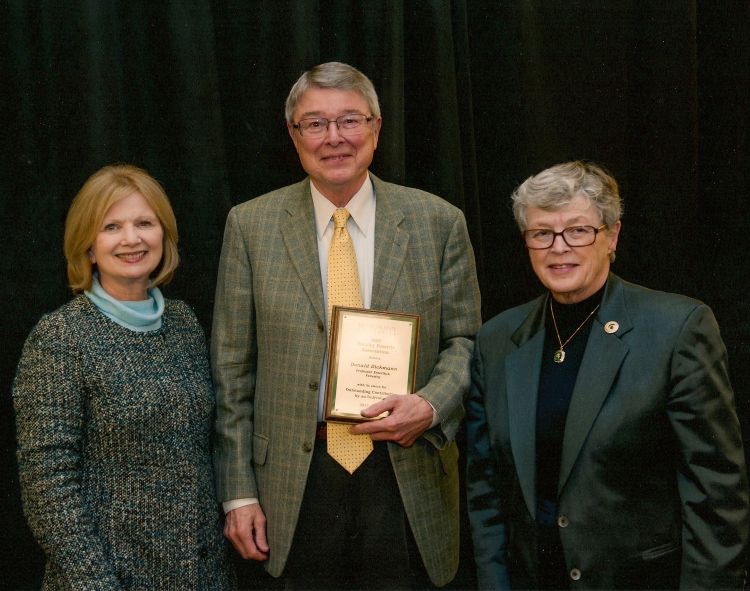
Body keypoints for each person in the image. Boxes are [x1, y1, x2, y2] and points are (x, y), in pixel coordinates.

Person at [211, 61, 481, 589]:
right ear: (294, 136)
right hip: (294, 479)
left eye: (350, 120)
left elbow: (466, 341)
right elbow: (231, 368)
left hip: (405, 468)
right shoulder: (250, 226)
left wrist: (430, 405)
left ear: (377, 129)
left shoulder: (438, 221)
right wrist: (238, 491)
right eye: (315, 123)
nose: (334, 137)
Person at [466, 160, 749, 590]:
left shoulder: (677, 328)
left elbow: (716, 496)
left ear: (612, 236)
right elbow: (486, 492)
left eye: (578, 230)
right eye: (542, 233)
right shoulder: (497, 340)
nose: (559, 247)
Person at [13, 164, 234, 590]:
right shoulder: (61, 336)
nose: (131, 239)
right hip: (108, 578)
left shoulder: (184, 323)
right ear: (89, 247)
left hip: (201, 574)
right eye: (111, 226)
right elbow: (47, 488)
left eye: (144, 223)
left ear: (163, 236)